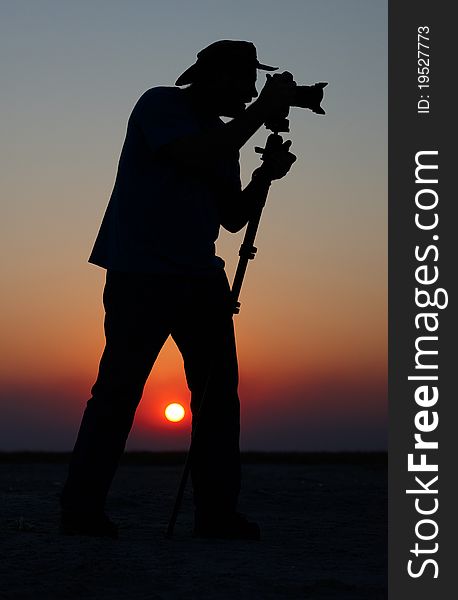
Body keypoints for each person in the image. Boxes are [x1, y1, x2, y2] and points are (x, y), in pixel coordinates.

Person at [59, 40, 297, 540]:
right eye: (243, 82)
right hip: (140, 274)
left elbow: (232, 218)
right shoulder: (161, 105)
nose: (250, 91)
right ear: (213, 78)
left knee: (217, 398)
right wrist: (259, 114)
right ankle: (81, 509)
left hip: (199, 278)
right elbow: (191, 154)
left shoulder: (223, 137)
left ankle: (216, 515)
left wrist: (263, 176)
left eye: (254, 85)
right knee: (118, 392)